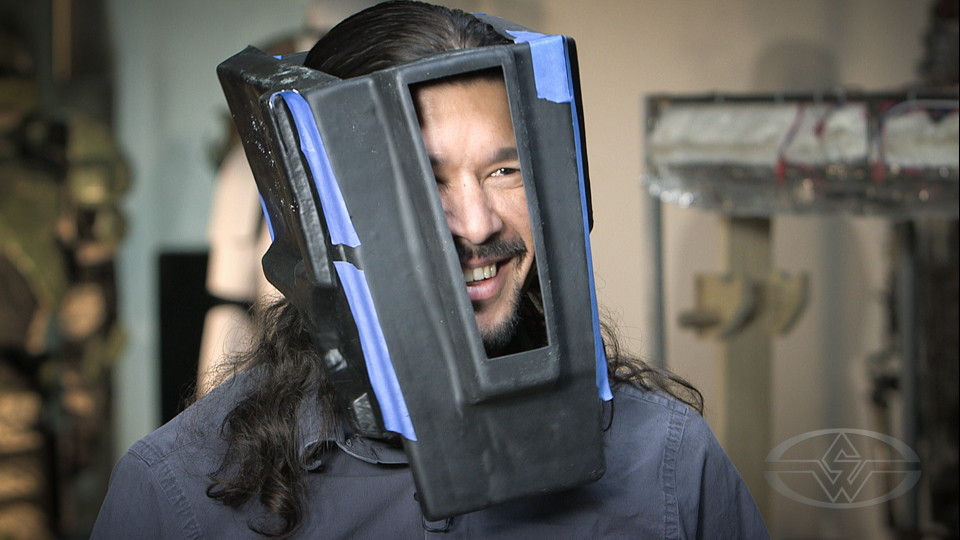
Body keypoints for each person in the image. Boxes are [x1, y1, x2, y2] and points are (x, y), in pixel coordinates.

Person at [91, 2, 768, 538]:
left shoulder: (667, 464)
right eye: (424, 181)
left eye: (504, 170)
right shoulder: (180, 495)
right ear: (316, 211)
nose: (477, 225)